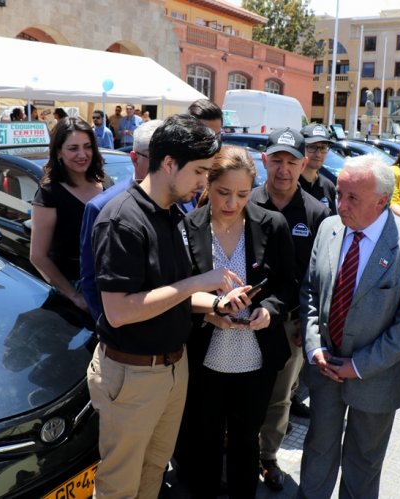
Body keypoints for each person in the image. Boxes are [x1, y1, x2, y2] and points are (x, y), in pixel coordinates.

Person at [87, 114, 251, 498]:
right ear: (169, 164)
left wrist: (215, 304)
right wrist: (197, 283)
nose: (204, 183)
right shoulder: (122, 220)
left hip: (171, 370)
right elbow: (119, 311)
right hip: (132, 374)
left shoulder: (171, 214)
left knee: (153, 473)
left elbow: (170, 294)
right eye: (199, 172)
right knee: (119, 486)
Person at [299, 154, 400, 498]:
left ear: (381, 202)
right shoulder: (329, 228)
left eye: (352, 198)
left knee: (363, 466)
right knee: (317, 454)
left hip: (377, 380)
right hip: (325, 370)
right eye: (340, 195)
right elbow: (312, 293)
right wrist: (315, 347)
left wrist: (359, 366)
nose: (341, 205)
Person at [179, 146, 294, 497]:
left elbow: (288, 284)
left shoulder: (271, 224)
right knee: (205, 441)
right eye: (223, 193)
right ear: (207, 185)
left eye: (242, 195)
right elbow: (176, 292)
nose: (231, 203)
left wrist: (268, 311)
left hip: (255, 357)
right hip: (205, 358)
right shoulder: (188, 227)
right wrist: (212, 313)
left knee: (247, 442)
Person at [252, 127, 331, 491]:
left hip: (290, 322)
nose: (283, 170)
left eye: (291, 162)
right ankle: (236, 448)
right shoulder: (244, 200)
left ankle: (268, 455)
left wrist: (306, 322)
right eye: (277, 161)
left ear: (302, 165)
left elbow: (318, 275)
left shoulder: (316, 212)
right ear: (265, 161)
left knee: (280, 395)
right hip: (243, 319)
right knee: (241, 387)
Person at [80, 119, 163, 322]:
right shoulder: (102, 207)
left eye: (169, 161)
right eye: (155, 160)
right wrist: (108, 328)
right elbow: (91, 280)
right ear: (134, 159)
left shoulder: (180, 202)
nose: (163, 169)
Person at [30, 117, 111, 314]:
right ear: (59, 151)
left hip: (109, 287)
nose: (82, 154)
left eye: (87, 146)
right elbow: (38, 256)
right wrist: (76, 297)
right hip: (73, 296)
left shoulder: (105, 181)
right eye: (73, 148)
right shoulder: (50, 193)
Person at [300, 123, 338, 215]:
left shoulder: (328, 186)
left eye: (323, 148)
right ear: (301, 148)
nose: (318, 154)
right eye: (312, 147)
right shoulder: (290, 185)